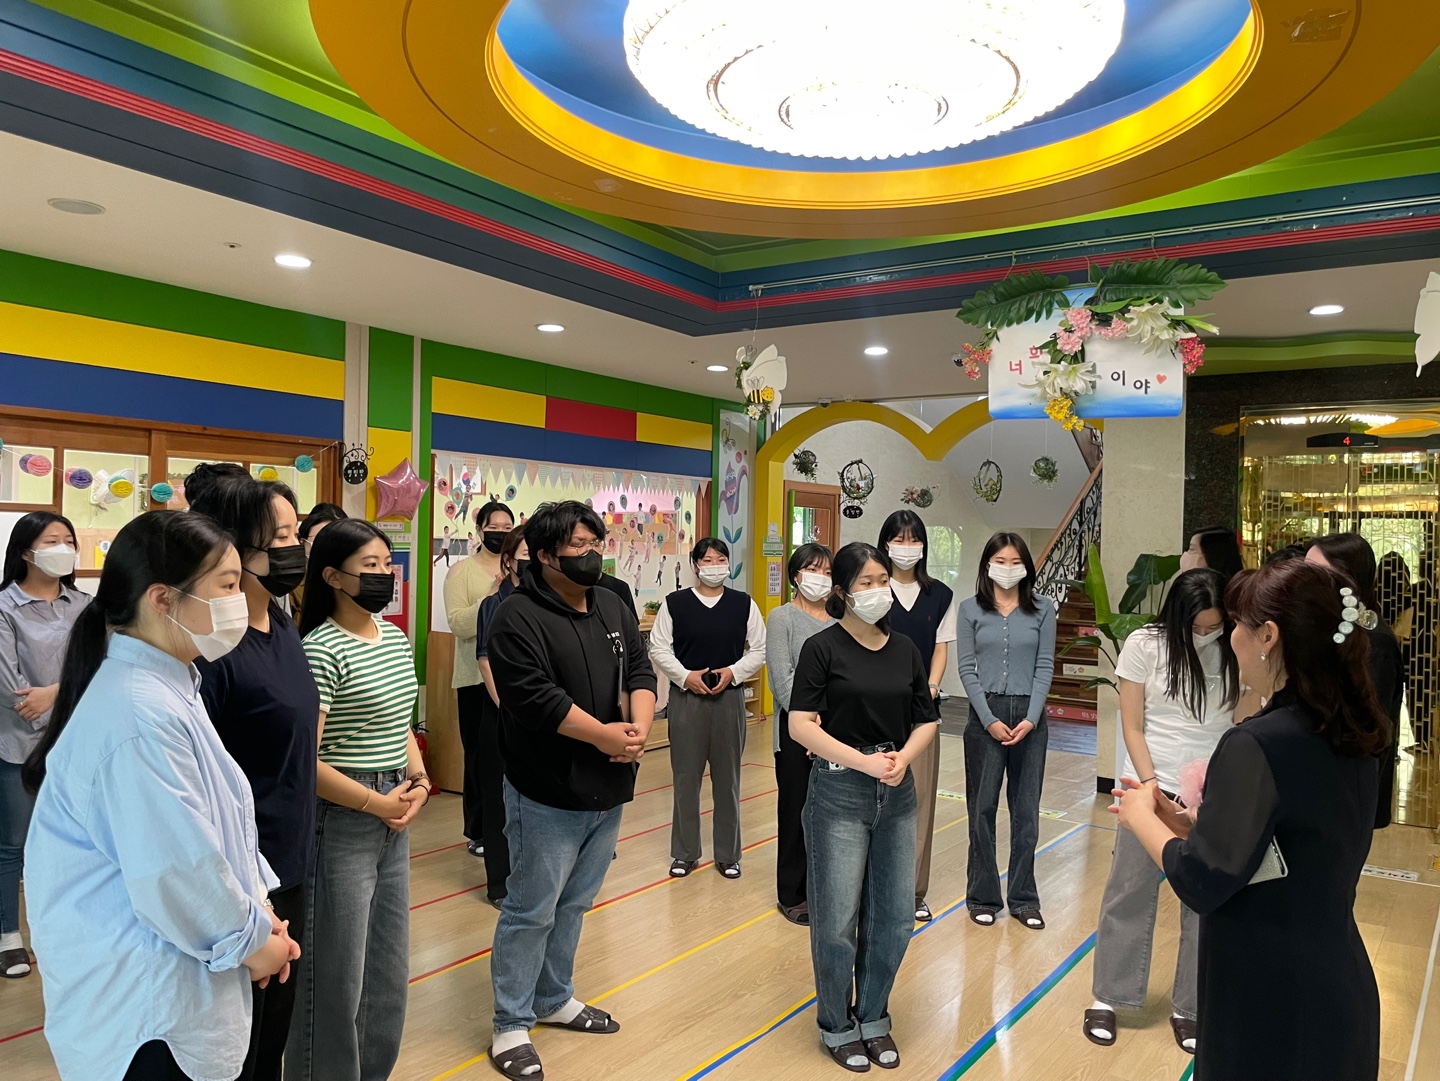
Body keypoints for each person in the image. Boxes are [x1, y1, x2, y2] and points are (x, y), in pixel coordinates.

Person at [22, 510, 297, 1081]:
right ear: (163, 600)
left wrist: (260, 915)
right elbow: (177, 869)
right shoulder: (138, 713)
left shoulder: (169, 686)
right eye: (227, 586)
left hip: (179, 984)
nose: (240, 601)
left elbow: (219, 831)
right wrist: (252, 942)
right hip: (148, 1008)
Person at [1114, 559, 1388, 1081]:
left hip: (1269, 994)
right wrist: (1193, 826)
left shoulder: (1256, 743)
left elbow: (1202, 880)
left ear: (1268, 636)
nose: (1231, 638)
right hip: (1336, 979)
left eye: (1238, 624)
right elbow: (1294, 846)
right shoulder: (1349, 729)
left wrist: (1141, 815)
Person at [484, 501, 656, 1081]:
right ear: (544, 554)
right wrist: (603, 734)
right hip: (546, 789)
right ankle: (511, 1022)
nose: (591, 555)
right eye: (578, 546)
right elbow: (535, 698)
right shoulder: (516, 615)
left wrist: (638, 729)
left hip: (609, 782)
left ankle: (553, 997)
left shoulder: (611, 602)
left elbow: (639, 669)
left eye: (595, 543)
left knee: (576, 903)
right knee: (531, 908)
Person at [186, 470, 318, 1079]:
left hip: (290, 861)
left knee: (271, 1044)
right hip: (242, 883)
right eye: (280, 537)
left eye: (296, 533)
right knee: (237, 1048)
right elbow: (198, 791)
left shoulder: (281, 623)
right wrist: (243, 903)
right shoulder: (213, 652)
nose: (295, 548)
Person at [788, 542, 939, 1072]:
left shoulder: (905, 649)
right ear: (843, 593)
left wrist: (901, 760)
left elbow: (926, 719)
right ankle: (836, 1024)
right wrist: (863, 762)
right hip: (839, 790)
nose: (878, 590)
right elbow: (800, 724)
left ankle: (873, 1015)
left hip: (896, 790)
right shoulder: (822, 648)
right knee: (836, 920)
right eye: (867, 583)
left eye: (883, 581)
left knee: (894, 917)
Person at [287, 519, 426, 1081]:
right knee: (335, 977)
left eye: (386, 563)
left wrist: (419, 782)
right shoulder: (319, 650)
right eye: (369, 566)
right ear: (332, 577)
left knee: (387, 973)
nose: (383, 574)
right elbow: (306, 762)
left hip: (395, 806)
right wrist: (375, 803)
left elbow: (401, 724)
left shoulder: (393, 637)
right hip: (344, 817)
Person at [1085, 569, 1241, 1055]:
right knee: (1129, 890)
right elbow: (1133, 725)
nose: (1206, 634)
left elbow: (1241, 720)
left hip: (1211, 792)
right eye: (1196, 627)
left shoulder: (1236, 646)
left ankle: (1190, 1007)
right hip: (1148, 785)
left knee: (1203, 902)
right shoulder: (1144, 645)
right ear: (1177, 617)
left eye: (1214, 626)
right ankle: (1109, 995)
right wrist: (1151, 787)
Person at [0, 511, 91, 979]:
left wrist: (55, 692)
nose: (64, 548)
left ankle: (63, 930)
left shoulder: (85, 605)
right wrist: (64, 692)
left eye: (68, 540)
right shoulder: (5, 607)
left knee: (73, 841)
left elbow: (101, 667)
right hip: (18, 743)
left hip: (78, 741)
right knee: (13, 843)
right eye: (52, 540)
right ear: (26, 552)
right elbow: (12, 690)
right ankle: (8, 937)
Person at [649, 537, 766, 879]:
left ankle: (728, 854)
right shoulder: (675, 604)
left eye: (720, 559)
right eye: (707, 560)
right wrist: (686, 677)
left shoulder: (743, 604)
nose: (715, 565)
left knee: (728, 780)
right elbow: (659, 648)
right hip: (687, 701)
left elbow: (759, 649)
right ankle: (685, 853)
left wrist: (734, 672)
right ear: (695, 565)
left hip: (729, 700)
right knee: (686, 779)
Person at [956, 532, 1056, 929]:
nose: (1008, 568)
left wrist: (1031, 718)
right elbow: (966, 668)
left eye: (1016, 562)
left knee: (1026, 812)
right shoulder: (969, 609)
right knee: (981, 809)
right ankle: (982, 896)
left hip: (1031, 716)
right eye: (1000, 561)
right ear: (987, 565)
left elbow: (1045, 665)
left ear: (1027, 567)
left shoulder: (1043, 609)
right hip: (986, 717)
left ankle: (1024, 899)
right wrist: (988, 719)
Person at [877, 509, 955, 922]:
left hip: (922, 713)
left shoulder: (940, 595)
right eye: (898, 539)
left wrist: (932, 687)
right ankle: (874, 889)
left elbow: (940, 648)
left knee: (919, 802)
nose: (906, 547)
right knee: (875, 799)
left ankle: (912, 892)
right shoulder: (872, 588)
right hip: (875, 708)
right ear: (885, 543)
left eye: (913, 539)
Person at [1306, 533, 1404, 828]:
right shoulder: (1330, 627)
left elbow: (1368, 732)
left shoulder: (1375, 643)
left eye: (1316, 573)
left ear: (1347, 579)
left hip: (1348, 795)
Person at [764, 542, 834, 925]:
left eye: (827, 571)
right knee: (795, 811)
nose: (819, 577)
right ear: (796, 575)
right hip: (795, 731)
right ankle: (792, 894)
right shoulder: (782, 618)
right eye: (812, 569)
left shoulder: (841, 619)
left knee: (831, 814)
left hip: (835, 730)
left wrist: (830, 721)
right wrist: (810, 723)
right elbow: (782, 680)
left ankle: (825, 889)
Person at [445, 500, 513, 857]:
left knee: (508, 757)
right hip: (474, 679)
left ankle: (506, 826)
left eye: (507, 528)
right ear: (479, 530)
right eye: (494, 528)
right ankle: (477, 829)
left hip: (512, 680)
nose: (500, 534)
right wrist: (490, 598)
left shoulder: (519, 569)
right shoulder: (462, 571)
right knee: (477, 757)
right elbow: (458, 624)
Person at [473, 527, 530, 908]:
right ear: (508, 560)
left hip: (538, 717)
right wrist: (508, 707)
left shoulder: (545, 602)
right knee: (498, 801)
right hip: (501, 713)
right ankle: (500, 884)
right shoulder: (493, 604)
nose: (533, 560)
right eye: (525, 554)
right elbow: (485, 660)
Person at [292, 503, 347, 622]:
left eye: (335, 542)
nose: (326, 549)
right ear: (302, 542)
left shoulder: (353, 580)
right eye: (318, 540)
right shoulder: (291, 584)